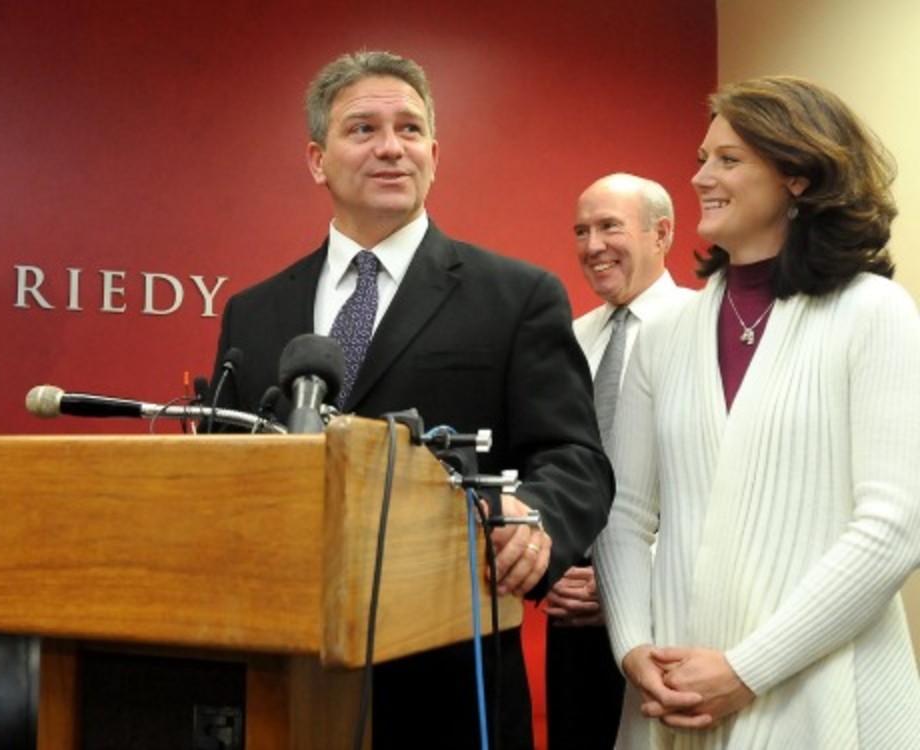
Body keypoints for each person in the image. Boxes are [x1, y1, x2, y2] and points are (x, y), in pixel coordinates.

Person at [210, 50, 613, 748]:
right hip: (286, 673)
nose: (391, 147)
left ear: (434, 154)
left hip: (451, 683)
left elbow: (575, 458)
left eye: (410, 129)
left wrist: (535, 517)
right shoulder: (254, 313)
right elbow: (224, 477)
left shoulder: (516, 296)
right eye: (363, 129)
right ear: (317, 159)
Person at [595, 75, 920, 748]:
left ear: (797, 175)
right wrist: (633, 647)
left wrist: (747, 669)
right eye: (701, 159)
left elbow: (895, 526)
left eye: (728, 159)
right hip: (673, 691)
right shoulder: (665, 335)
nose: (700, 178)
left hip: (822, 691)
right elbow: (624, 512)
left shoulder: (874, 313)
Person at [546, 173, 693, 749]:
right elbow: (554, 462)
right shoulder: (571, 339)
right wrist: (553, 567)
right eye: (581, 231)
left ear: (662, 234)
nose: (592, 246)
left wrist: (631, 578)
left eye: (610, 226)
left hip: (671, 607)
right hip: (574, 611)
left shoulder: (704, 331)